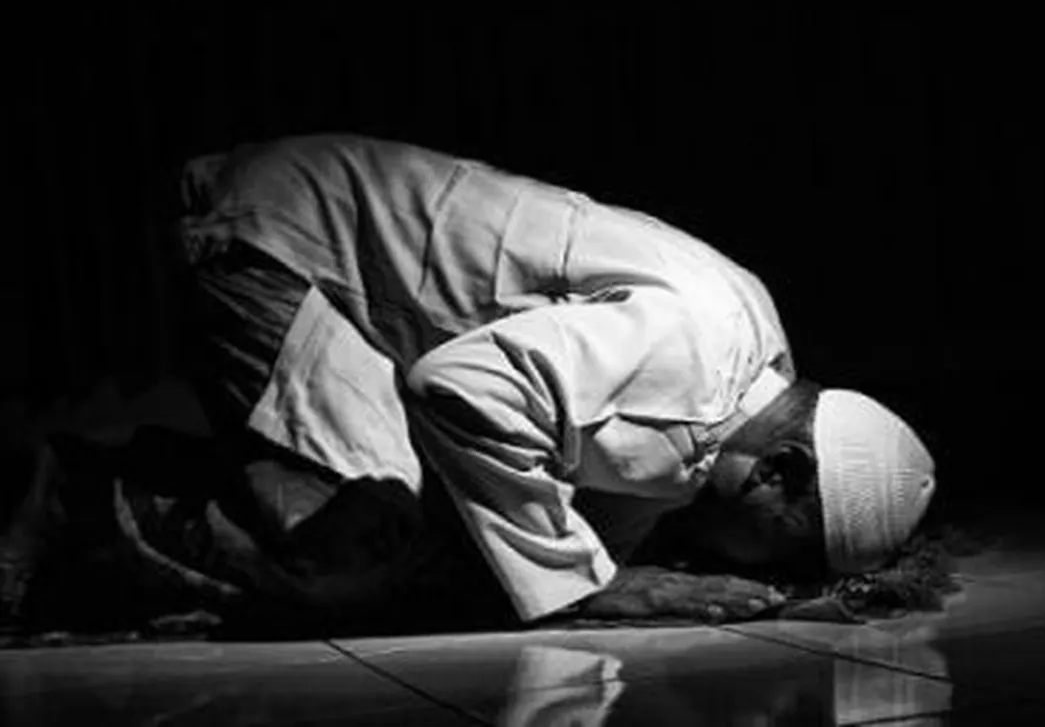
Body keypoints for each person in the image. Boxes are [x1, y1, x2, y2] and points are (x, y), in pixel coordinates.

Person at [2, 135, 936, 636]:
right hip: (285, 246)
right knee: (364, 554)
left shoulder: (749, 372)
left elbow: (586, 462)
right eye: (781, 553)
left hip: (328, 258)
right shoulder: (687, 358)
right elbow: (460, 387)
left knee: (437, 554)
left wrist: (597, 565)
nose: (759, 574)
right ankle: (82, 497)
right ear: (779, 470)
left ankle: (125, 496)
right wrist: (589, 588)